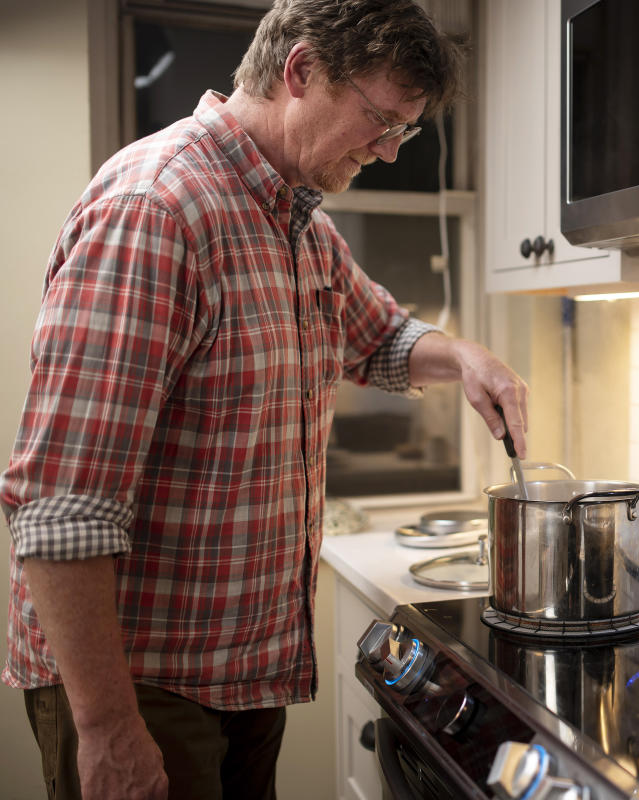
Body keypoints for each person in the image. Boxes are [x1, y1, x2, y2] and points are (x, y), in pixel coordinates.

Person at [0, 1, 528, 798]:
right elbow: (62, 510)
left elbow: (378, 336)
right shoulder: (158, 209)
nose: (388, 153)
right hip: (140, 682)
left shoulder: (297, 222)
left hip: (243, 673)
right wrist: (106, 726)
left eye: (404, 132)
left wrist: (466, 357)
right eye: (380, 121)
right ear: (301, 71)